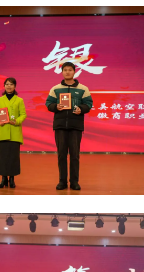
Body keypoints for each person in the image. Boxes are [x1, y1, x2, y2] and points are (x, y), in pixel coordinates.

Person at [45, 61, 93, 191]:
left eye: (70, 70)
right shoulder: (55, 88)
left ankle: (74, 182)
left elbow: (88, 104)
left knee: (74, 155)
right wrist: (56, 106)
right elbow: (48, 103)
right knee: (61, 155)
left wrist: (81, 109)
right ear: (62, 72)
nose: (67, 72)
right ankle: (62, 181)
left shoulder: (83, 88)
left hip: (75, 126)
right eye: (65, 70)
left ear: (74, 72)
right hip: (60, 126)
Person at [0, 77, 26, 189]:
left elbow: (23, 114)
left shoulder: (19, 100)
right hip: (2, 131)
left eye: (11, 84)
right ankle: (3, 179)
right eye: (7, 84)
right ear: (4, 86)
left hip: (14, 132)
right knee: (2, 158)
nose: (9, 86)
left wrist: (16, 121)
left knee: (13, 158)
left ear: (15, 86)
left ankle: (12, 179)